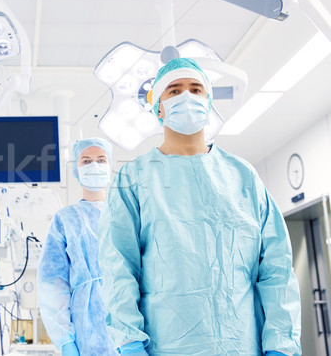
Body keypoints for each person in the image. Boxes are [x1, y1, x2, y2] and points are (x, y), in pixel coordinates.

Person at [98, 58, 301, 355]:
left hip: (242, 344)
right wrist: (129, 343)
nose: (187, 96)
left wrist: (280, 345)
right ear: (158, 107)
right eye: (174, 90)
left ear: (208, 102)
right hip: (168, 345)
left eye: (196, 89)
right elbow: (118, 267)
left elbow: (276, 268)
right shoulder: (133, 179)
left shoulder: (243, 176)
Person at [37, 137, 118, 356]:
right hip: (87, 331)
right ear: (76, 170)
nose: (94, 166)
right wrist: (65, 340)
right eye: (86, 161)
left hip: (130, 330)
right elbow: (53, 283)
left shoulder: (126, 213)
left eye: (101, 160)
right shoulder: (66, 219)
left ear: (110, 166)